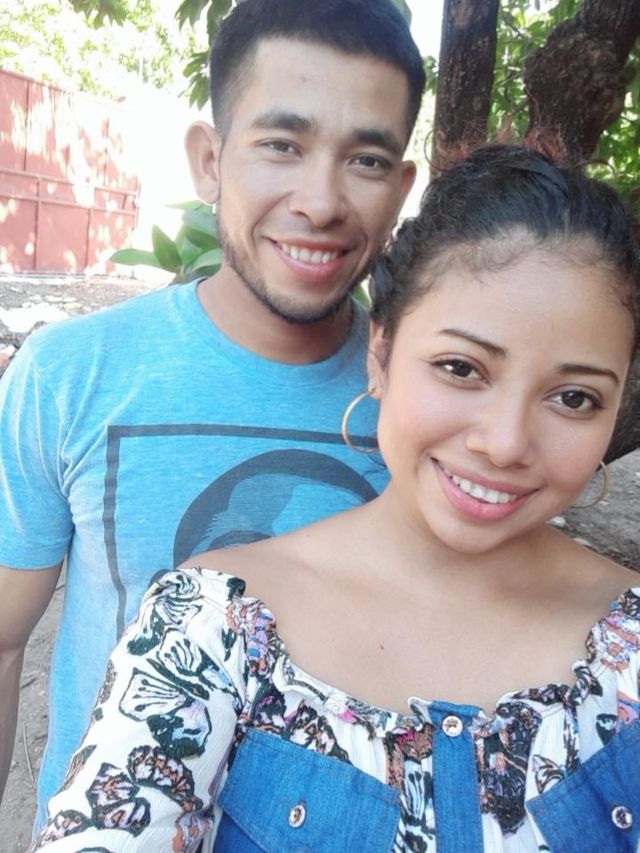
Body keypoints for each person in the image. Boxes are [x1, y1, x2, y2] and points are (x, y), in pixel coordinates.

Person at [30, 144, 640, 851]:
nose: (505, 443)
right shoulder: (212, 630)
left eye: (574, 397)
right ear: (380, 354)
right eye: (460, 367)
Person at [0, 0, 425, 830]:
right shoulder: (70, 374)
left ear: (401, 189)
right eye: (282, 145)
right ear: (209, 159)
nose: (321, 201)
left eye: (366, 159)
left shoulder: (434, 407)